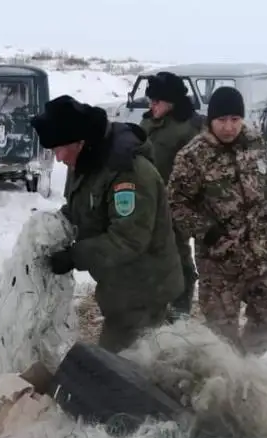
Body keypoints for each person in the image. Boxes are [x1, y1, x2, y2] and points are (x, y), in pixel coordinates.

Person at [31, 95, 184, 353]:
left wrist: (74, 256)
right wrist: (56, 224)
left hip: (145, 288)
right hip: (121, 287)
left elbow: (128, 239)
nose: (57, 159)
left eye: (58, 150)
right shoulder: (86, 161)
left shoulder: (128, 173)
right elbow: (84, 206)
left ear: (79, 142)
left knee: (119, 366)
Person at [168, 86, 267, 355]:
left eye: (235, 119)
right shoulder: (193, 156)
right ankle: (231, 375)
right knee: (223, 339)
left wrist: (266, 224)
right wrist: (207, 232)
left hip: (258, 258)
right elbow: (175, 204)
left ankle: (247, 366)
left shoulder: (255, 143)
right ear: (211, 120)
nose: (229, 127)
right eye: (222, 120)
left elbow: (266, 186)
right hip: (219, 264)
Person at [139, 71, 204, 319]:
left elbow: (199, 171)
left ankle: (181, 307)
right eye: (150, 101)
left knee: (179, 257)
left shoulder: (189, 128)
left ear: (171, 102)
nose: (151, 105)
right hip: (149, 204)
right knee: (150, 255)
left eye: (157, 101)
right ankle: (154, 302)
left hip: (177, 205)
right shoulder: (147, 124)